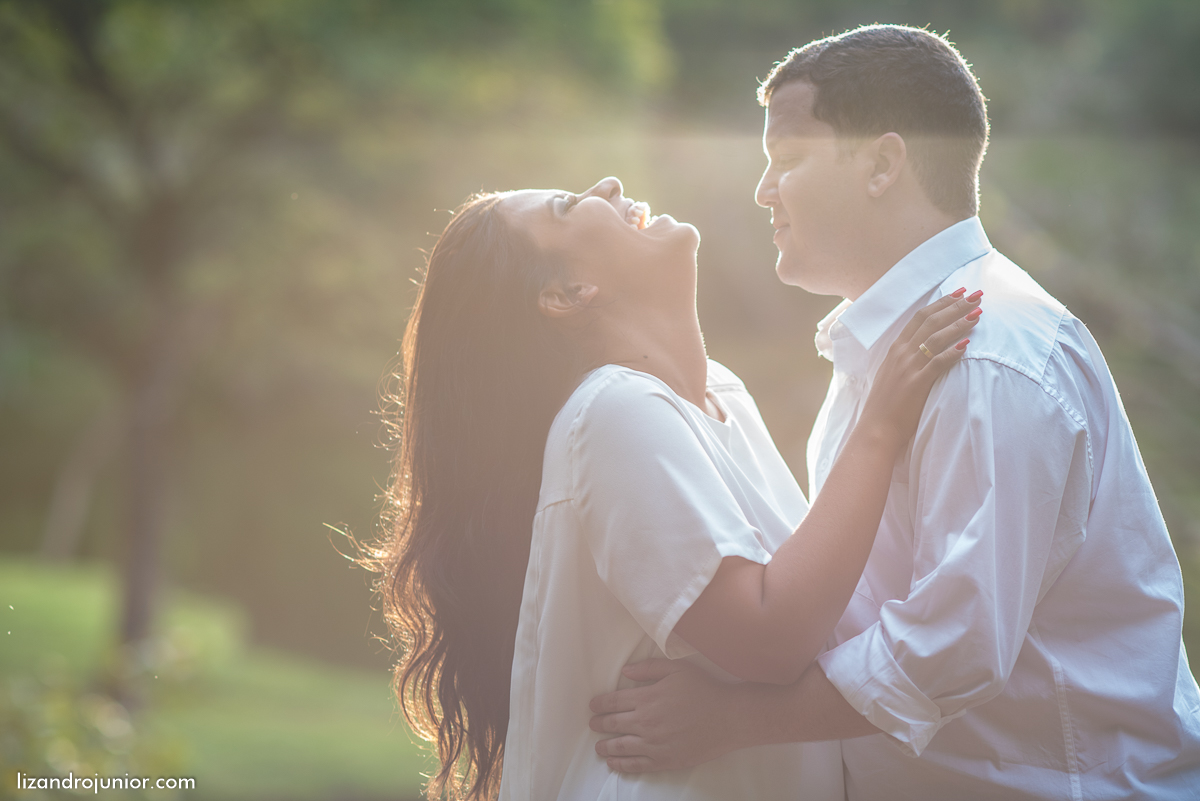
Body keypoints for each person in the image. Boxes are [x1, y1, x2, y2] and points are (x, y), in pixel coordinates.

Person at [587, 24, 1200, 800]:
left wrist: (735, 717)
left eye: (787, 160)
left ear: (881, 164)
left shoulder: (988, 356)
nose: (763, 191)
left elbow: (954, 643)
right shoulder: (887, 354)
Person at [363, 173, 981, 800]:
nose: (606, 185)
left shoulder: (722, 398)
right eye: (567, 205)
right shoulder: (613, 411)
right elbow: (771, 637)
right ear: (570, 292)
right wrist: (879, 427)